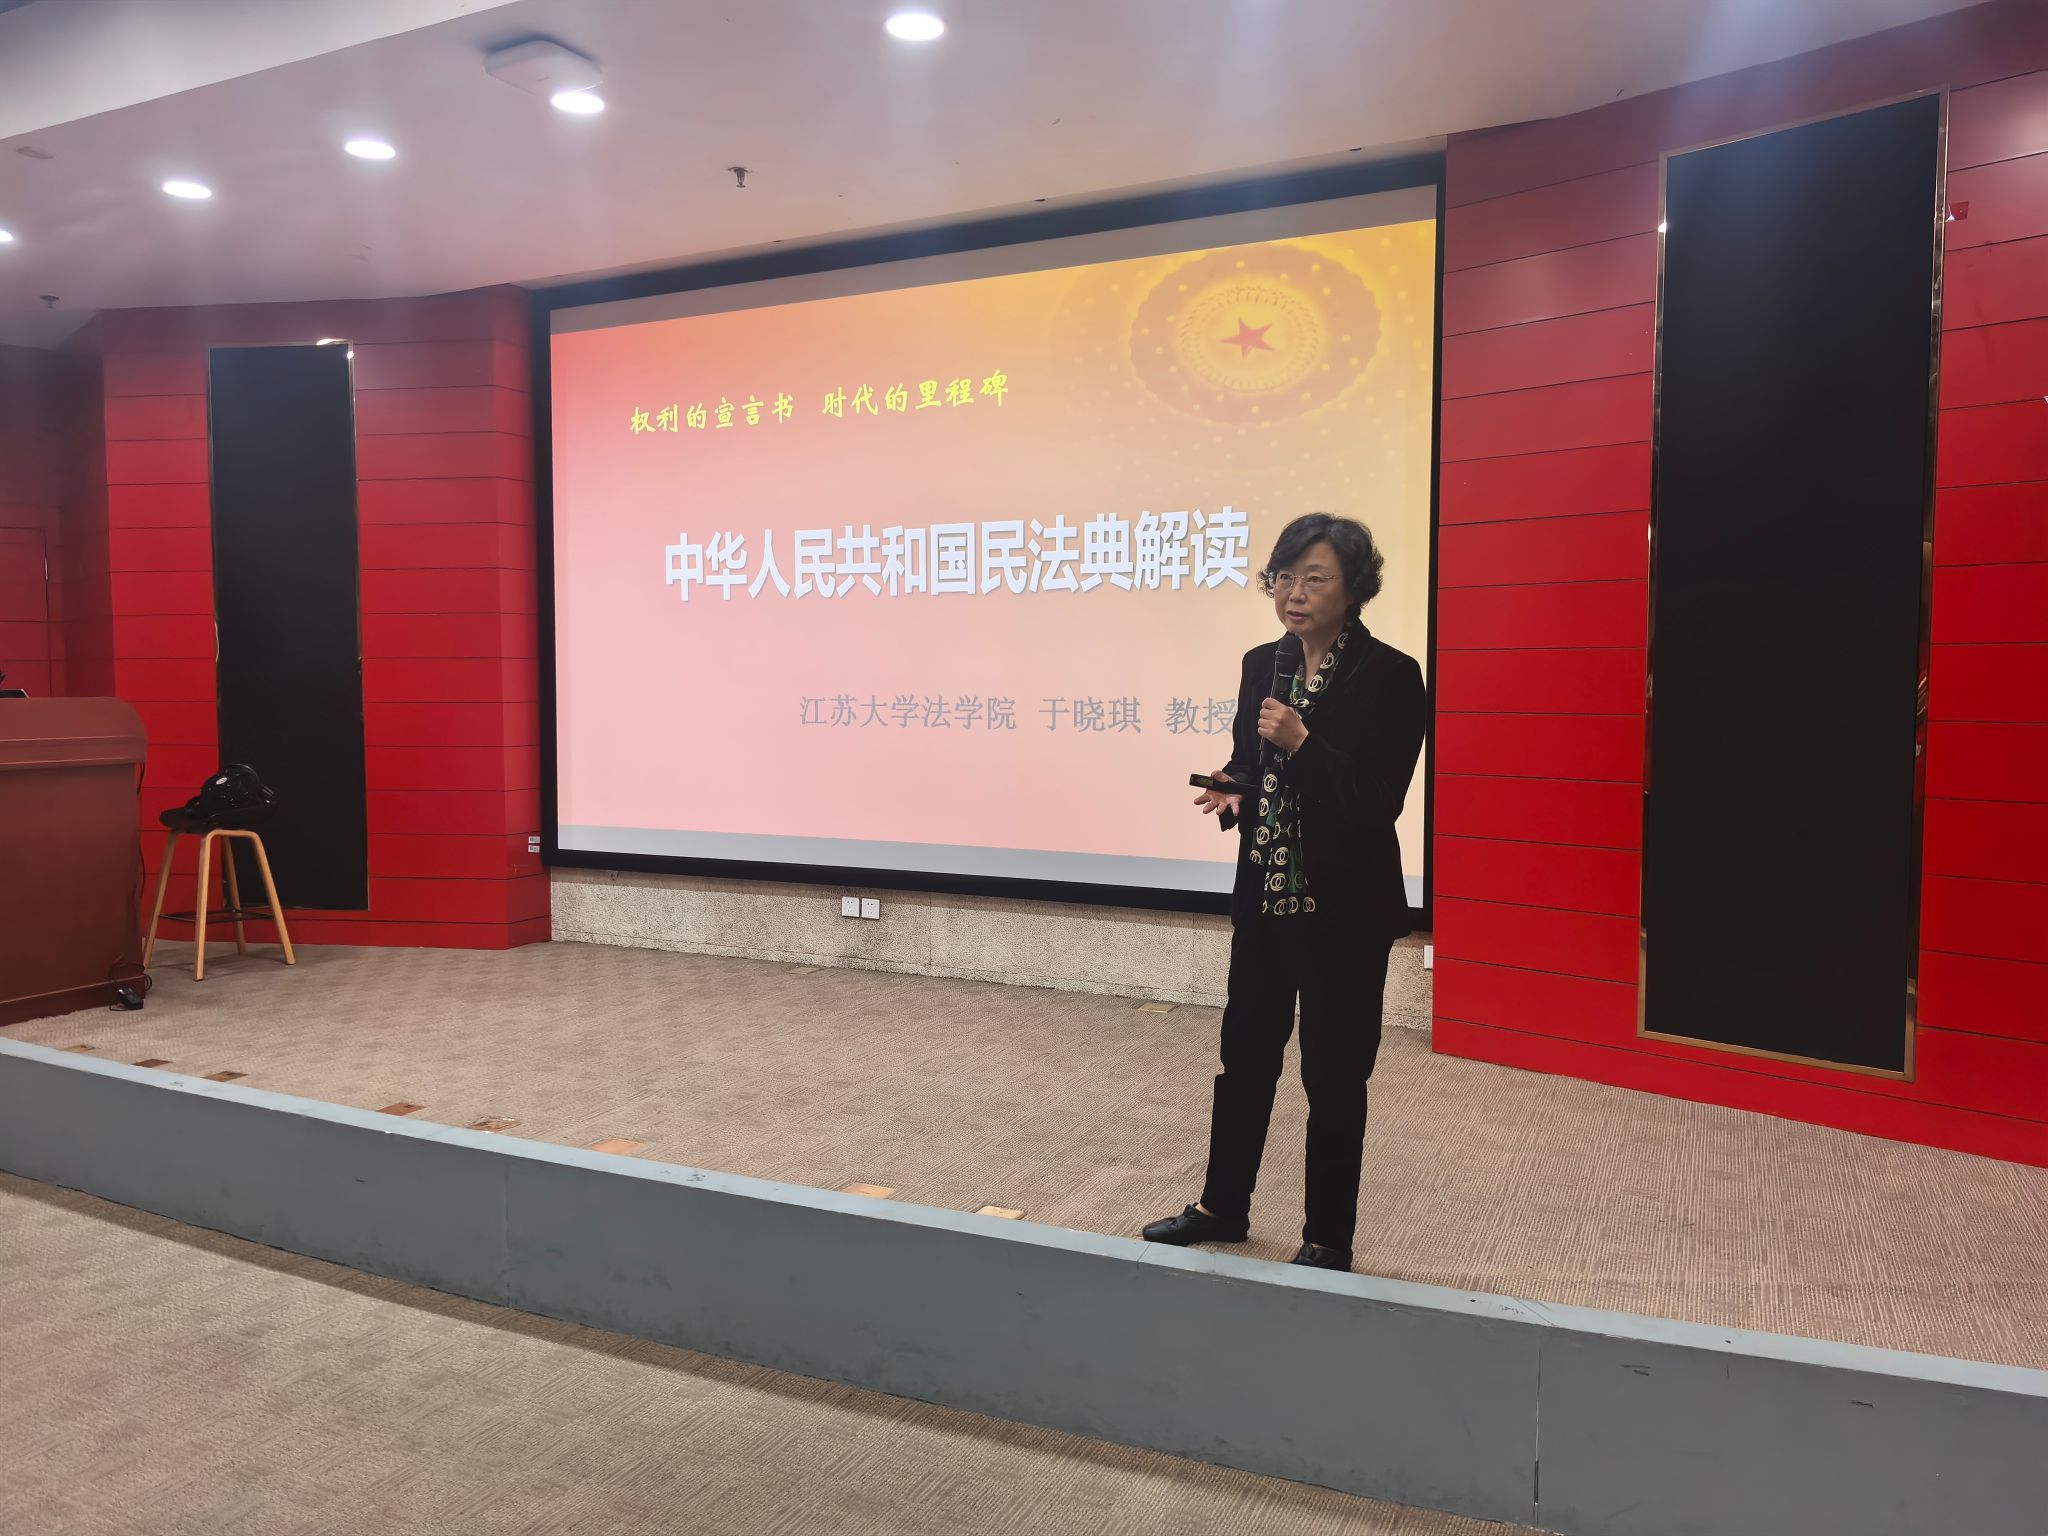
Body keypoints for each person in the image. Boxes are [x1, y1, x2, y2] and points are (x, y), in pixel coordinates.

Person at [1142, 513, 1426, 1272]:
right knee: (1244, 1059)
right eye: (1284, 577)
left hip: (1345, 910)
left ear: (1355, 589)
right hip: (1266, 899)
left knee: (1333, 1075)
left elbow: (1378, 802)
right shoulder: (1261, 663)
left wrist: (1302, 744)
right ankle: (1222, 1205)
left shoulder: (1392, 676)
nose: (1293, 594)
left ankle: (1327, 1237)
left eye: (1314, 578)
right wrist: (1234, 786)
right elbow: (1250, 758)